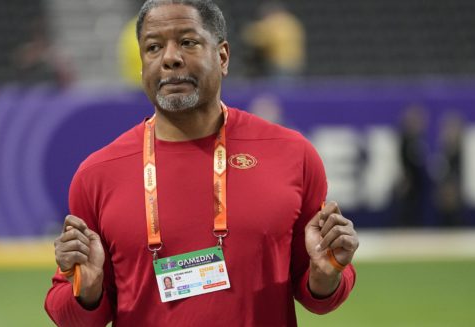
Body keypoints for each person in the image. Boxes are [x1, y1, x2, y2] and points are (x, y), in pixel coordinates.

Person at [45, 1, 359, 326]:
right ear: (141, 65)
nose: (170, 58)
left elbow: (320, 294)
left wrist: (327, 274)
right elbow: (68, 312)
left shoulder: (293, 154)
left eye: (188, 42)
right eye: (153, 47)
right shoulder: (97, 175)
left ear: (222, 57)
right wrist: (88, 289)